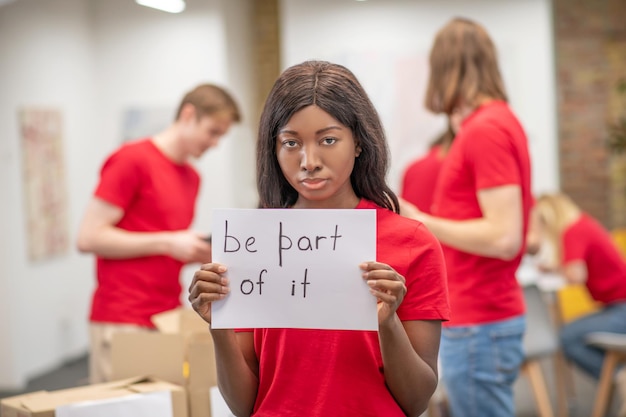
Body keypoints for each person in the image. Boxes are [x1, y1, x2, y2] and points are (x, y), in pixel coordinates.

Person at [188, 60, 450, 417]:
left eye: (328, 140)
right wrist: (219, 326)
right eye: (291, 142)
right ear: (273, 148)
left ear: (359, 142)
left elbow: (417, 400)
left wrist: (387, 323)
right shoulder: (253, 243)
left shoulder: (411, 242)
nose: (309, 161)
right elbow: (244, 405)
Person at [400, 17, 533, 417]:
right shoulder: (491, 123)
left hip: (478, 320)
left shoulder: (485, 130)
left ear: (446, 69)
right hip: (481, 318)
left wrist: (420, 219)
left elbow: (504, 236)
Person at [76, 83, 241, 383]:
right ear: (188, 115)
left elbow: (159, 244)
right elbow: (88, 237)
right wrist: (168, 242)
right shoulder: (131, 159)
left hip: (167, 314)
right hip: (122, 316)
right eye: (213, 132)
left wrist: (193, 250)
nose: (215, 143)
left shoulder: (191, 177)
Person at [527, 192, 626, 415]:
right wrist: (553, 268)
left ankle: (618, 375)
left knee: (568, 337)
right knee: (574, 332)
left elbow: (575, 275)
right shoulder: (583, 224)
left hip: (622, 308)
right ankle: (617, 376)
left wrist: (557, 267)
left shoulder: (573, 231)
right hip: (616, 306)